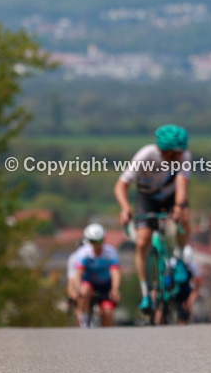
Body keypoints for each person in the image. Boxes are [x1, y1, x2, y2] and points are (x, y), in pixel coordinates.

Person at [113, 124, 192, 314]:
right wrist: (125, 209)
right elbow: (121, 185)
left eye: (181, 152)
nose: (179, 156)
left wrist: (179, 207)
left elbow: (182, 185)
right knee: (142, 242)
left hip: (171, 197)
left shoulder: (184, 156)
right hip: (147, 199)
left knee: (185, 217)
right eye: (175, 153)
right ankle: (146, 293)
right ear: (165, 151)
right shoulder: (146, 155)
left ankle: (179, 258)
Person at [69, 223, 122, 327]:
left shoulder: (111, 252)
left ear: (104, 239)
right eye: (93, 241)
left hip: (105, 285)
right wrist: (77, 289)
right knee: (84, 289)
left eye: (99, 240)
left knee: (108, 312)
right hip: (89, 283)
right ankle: (84, 321)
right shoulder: (83, 253)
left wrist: (115, 289)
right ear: (89, 241)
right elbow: (78, 274)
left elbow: (115, 273)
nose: (97, 244)